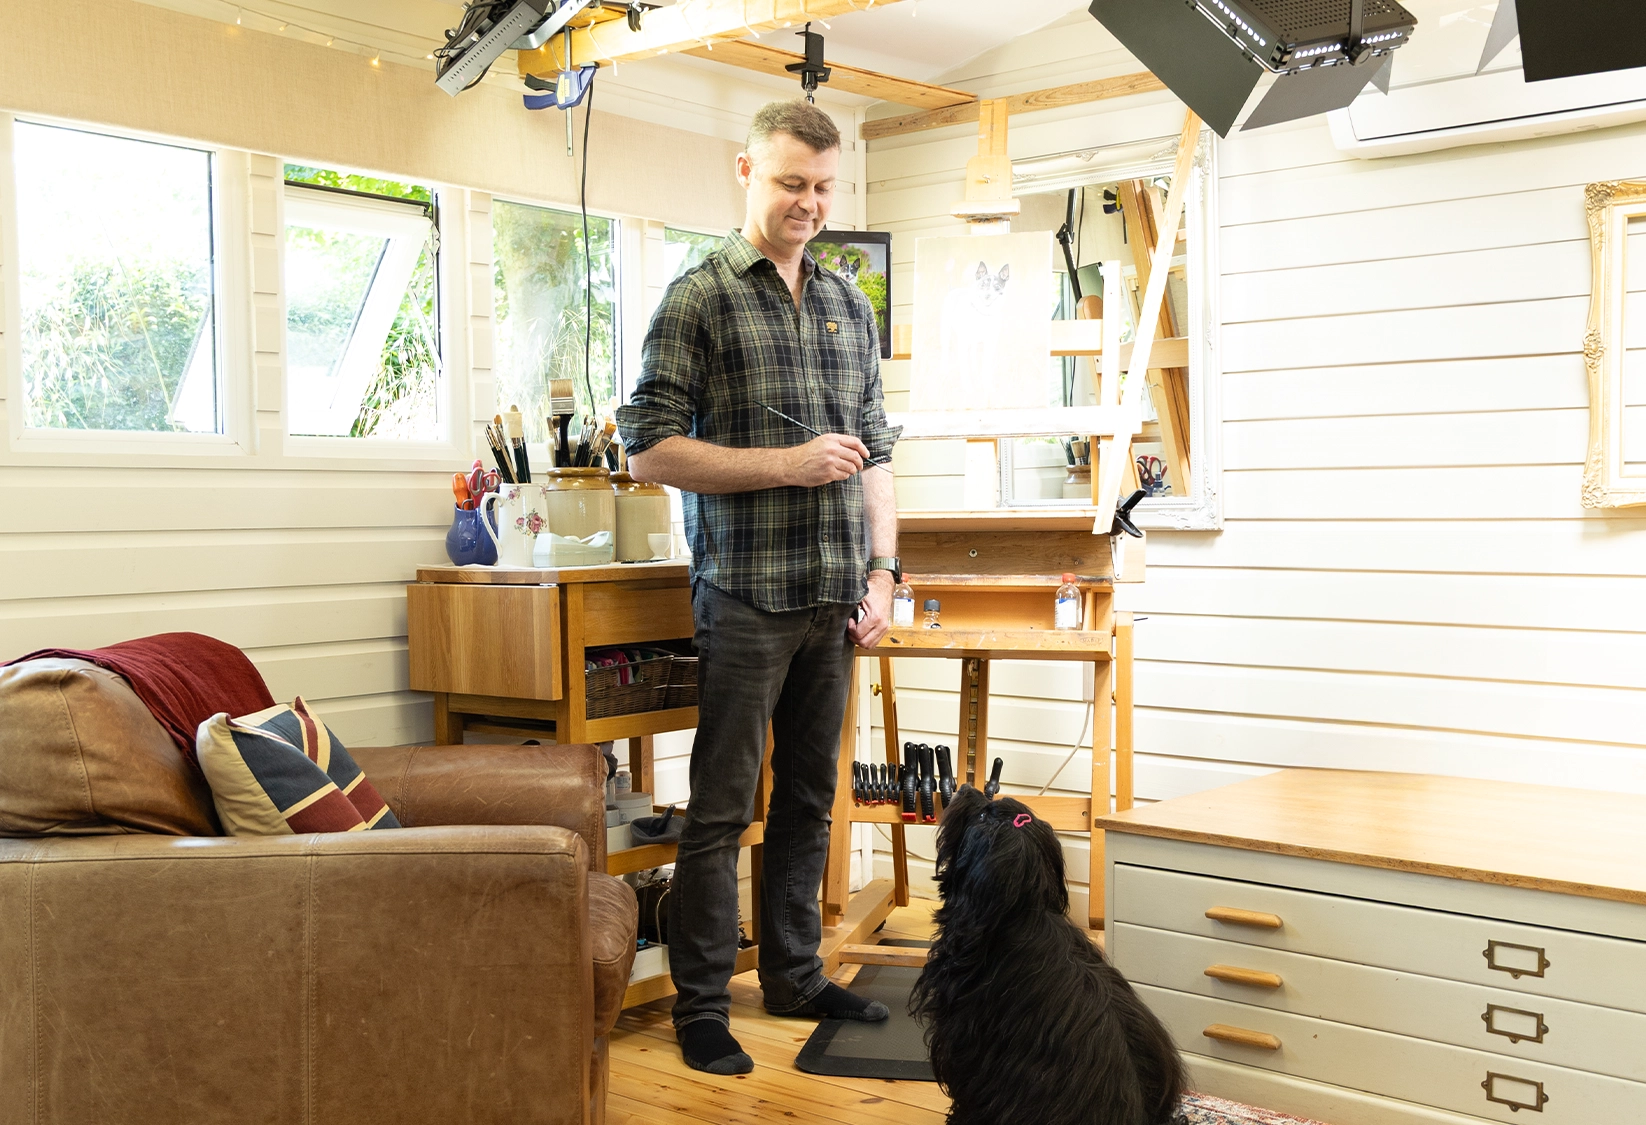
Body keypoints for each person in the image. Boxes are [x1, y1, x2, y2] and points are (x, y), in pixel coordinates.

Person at [616, 99, 901, 1076]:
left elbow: (875, 456)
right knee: (720, 807)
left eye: (823, 188)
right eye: (790, 184)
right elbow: (648, 449)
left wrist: (884, 569)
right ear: (744, 171)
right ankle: (701, 1005)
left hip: (832, 596)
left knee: (809, 803)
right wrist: (785, 465)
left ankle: (793, 973)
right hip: (742, 596)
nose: (808, 204)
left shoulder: (848, 303)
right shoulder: (696, 297)